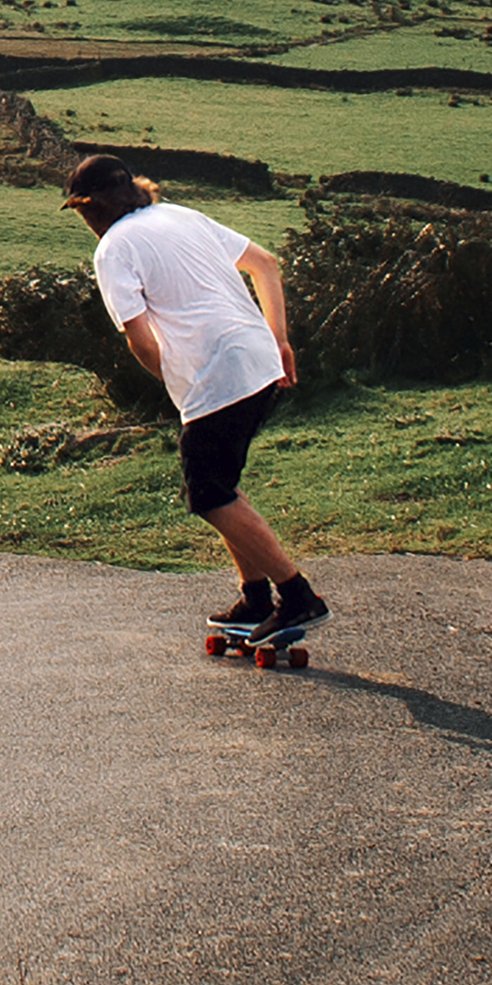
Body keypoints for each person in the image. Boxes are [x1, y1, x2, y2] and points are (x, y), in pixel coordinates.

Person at [65, 153, 325, 648]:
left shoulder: (113, 249)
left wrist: (175, 378)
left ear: (89, 208)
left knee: (206, 491)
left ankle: (297, 596)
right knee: (220, 483)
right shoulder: (178, 215)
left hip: (217, 374)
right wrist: (280, 340)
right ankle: (254, 599)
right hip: (257, 361)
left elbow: (139, 340)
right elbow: (265, 265)